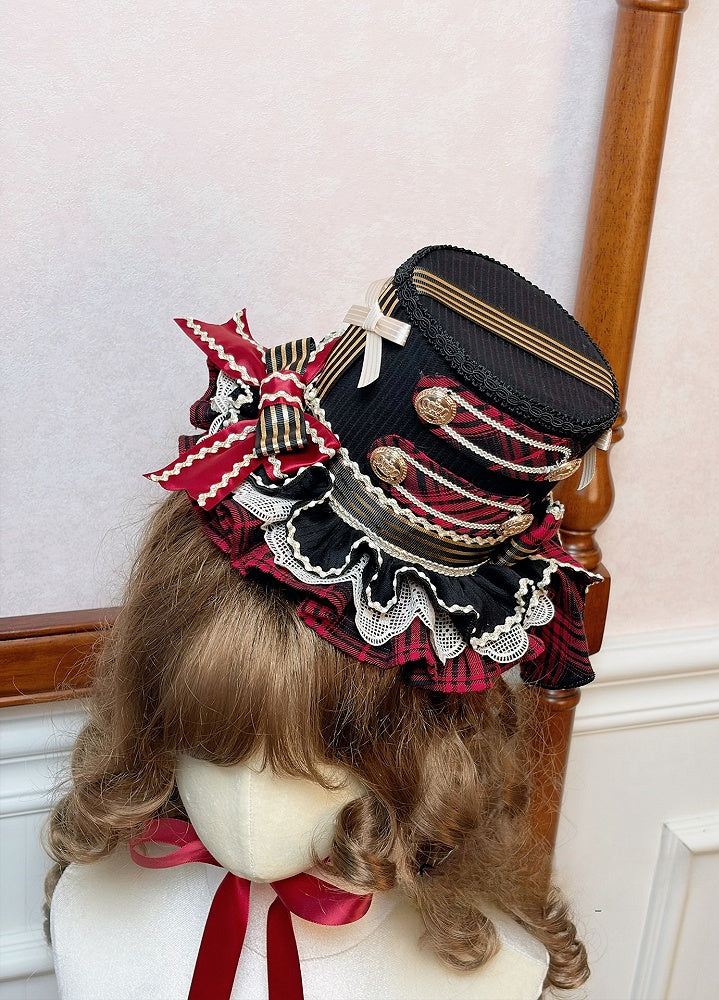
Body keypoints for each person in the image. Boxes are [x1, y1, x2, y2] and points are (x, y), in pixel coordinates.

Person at [46, 245, 618, 998]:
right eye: (207, 743)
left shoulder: (495, 975)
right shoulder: (93, 912)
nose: (246, 814)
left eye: (323, 764)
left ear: (428, 757)